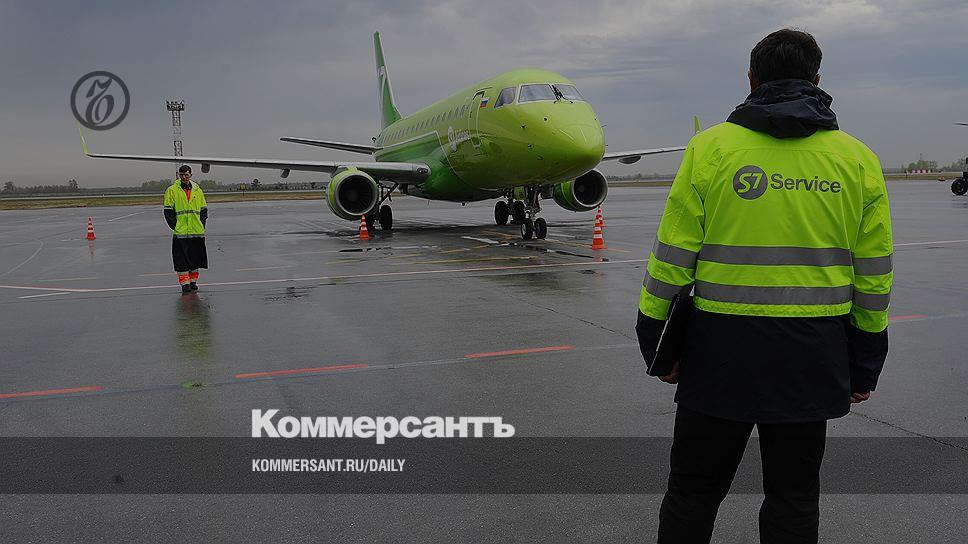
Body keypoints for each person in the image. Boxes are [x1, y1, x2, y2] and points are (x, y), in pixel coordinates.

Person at [635, 29, 893, 543]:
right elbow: (874, 274)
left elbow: (672, 259)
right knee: (794, 498)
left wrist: (657, 343)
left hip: (719, 353)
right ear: (817, 79)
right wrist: (865, 360)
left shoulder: (710, 149)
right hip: (812, 354)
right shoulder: (857, 159)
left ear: (751, 80)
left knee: (692, 493)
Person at [164, 165, 209, 294]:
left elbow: (203, 210)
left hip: (196, 231)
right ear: (179, 175)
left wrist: (201, 224)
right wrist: (176, 226)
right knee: (181, 259)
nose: (184, 177)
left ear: (190, 175)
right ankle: (185, 283)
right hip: (181, 232)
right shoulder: (172, 190)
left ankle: (193, 281)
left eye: (186, 175)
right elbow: (168, 211)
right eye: (181, 175)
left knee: (195, 258)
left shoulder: (198, 190)